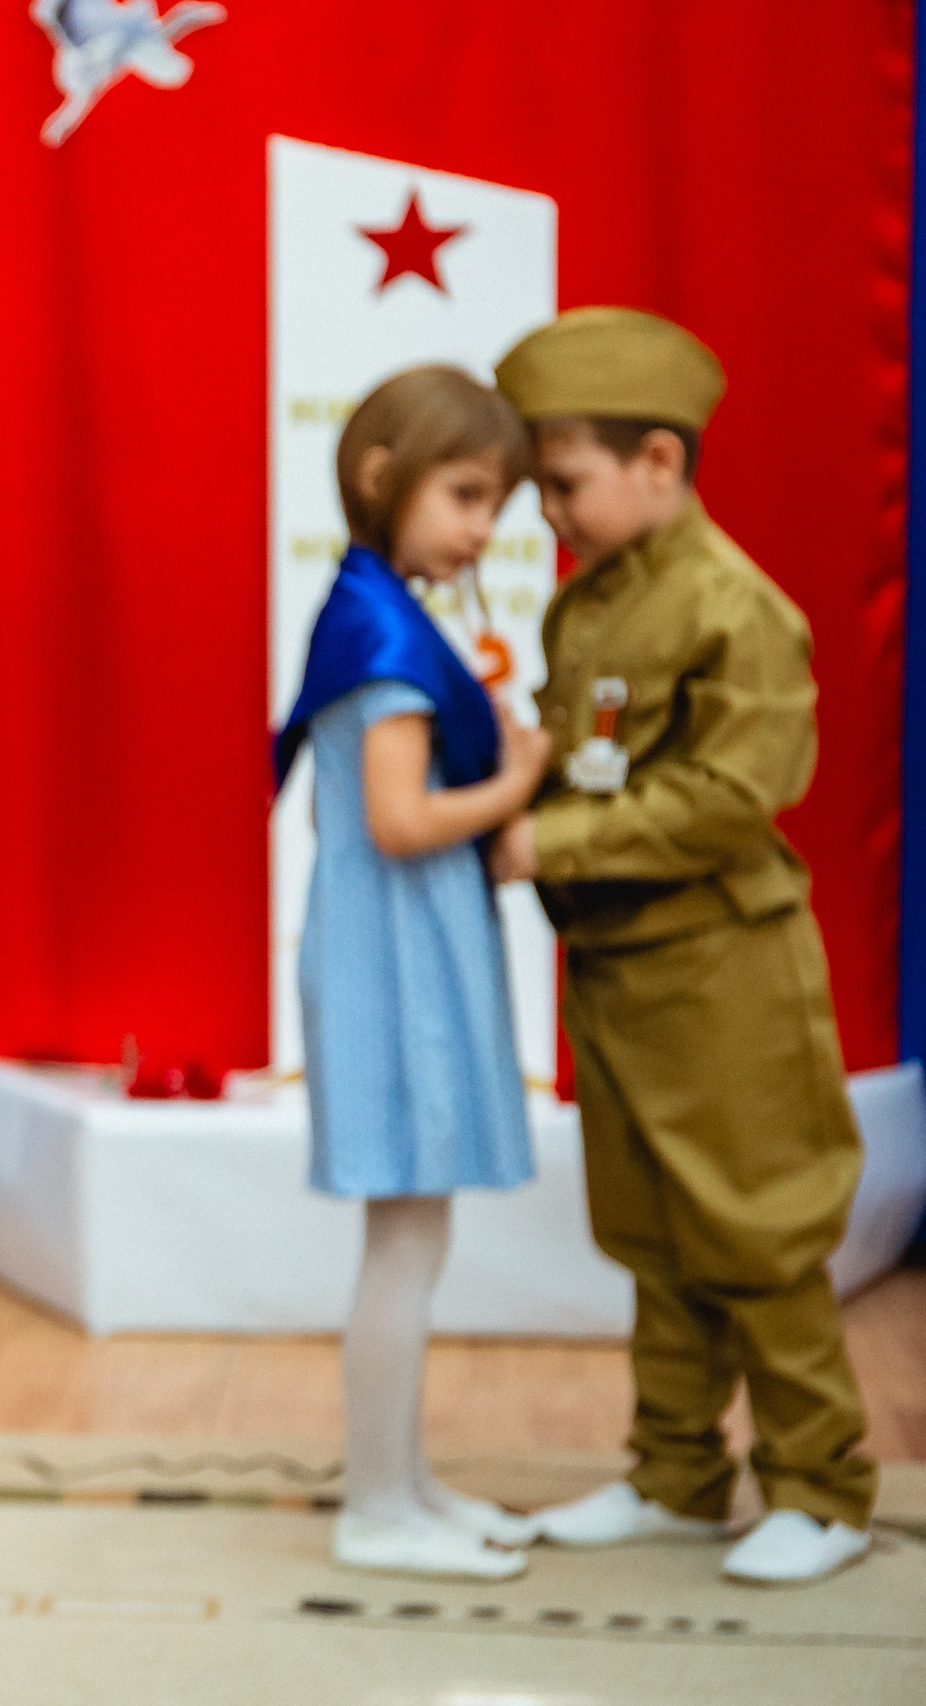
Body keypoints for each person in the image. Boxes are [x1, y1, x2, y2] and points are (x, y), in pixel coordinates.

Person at [489, 307, 876, 1585]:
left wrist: (553, 844)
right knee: (653, 1233)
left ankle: (820, 1483)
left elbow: (729, 794)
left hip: (722, 972)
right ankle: (675, 1467)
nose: (548, 510)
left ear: (659, 460)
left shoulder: (735, 608)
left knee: (755, 1230)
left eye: (566, 482)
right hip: (616, 971)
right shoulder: (586, 607)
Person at [275, 366, 552, 1580]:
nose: (483, 527)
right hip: (395, 960)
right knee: (402, 1245)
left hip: (404, 948)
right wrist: (521, 775)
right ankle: (377, 1505)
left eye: (495, 502)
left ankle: (404, 1480)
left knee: (415, 1237)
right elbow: (400, 819)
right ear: (383, 479)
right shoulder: (382, 635)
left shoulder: (376, 607)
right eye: (465, 493)